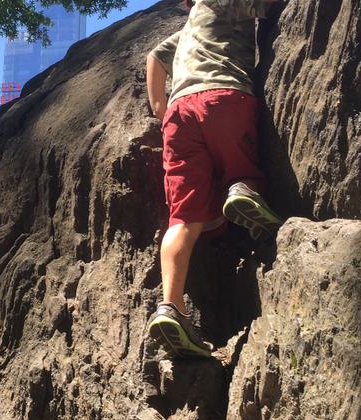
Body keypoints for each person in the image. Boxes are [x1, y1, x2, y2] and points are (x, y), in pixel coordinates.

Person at [145, 0, 283, 358]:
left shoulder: (186, 29)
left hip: (178, 115)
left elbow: (155, 58)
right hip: (223, 94)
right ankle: (243, 190)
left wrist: (159, 108)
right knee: (238, 162)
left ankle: (170, 306)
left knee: (184, 218)